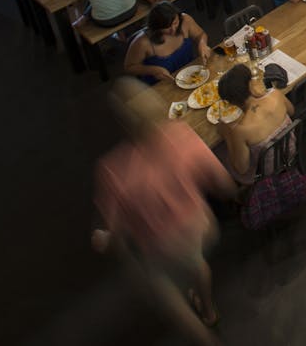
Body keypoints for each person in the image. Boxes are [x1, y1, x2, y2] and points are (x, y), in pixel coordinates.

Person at [93, 80, 234, 336]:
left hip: (162, 247)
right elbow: (224, 183)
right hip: (201, 227)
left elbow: (116, 231)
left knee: (172, 305)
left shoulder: (113, 170)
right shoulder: (182, 135)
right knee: (197, 262)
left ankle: (206, 338)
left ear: (123, 123)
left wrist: (103, 239)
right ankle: (209, 309)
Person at [214, 64, 295, 188]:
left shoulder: (240, 130)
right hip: (290, 149)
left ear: (232, 102)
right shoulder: (275, 95)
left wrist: (227, 135)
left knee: (217, 152)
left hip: (265, 171)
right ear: (250, 84)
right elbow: (292, 111)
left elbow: (241, 168)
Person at [123, 1, 209, 85]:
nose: (173, 29)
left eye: (175, 23)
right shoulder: (142, 42)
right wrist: (153, 70)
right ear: (156, 27)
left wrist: (202, 44)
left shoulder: (185, 20)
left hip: (190, 74)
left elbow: (200, 35)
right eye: (167, 27)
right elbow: (129, 67)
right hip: (162, 84)